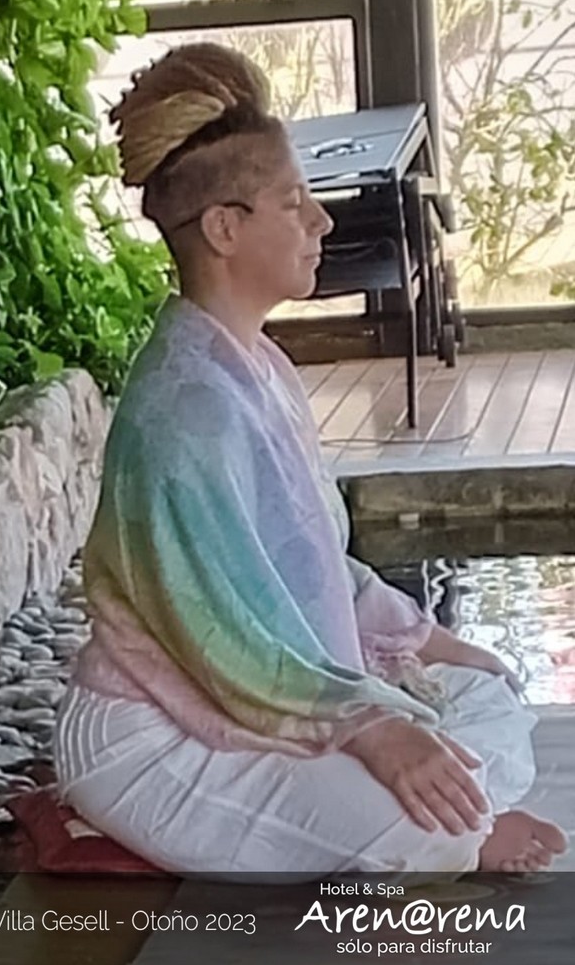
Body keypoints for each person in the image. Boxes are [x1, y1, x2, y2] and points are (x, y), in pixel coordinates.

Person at [54, 43, 568, 878]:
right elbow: (223, 640)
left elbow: (317, 567)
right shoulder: (184, 412)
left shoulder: (256, 364)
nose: (321, 223)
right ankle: (463, 836)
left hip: (261, 699)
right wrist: (372, 726)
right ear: (224, 228)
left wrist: (428, 640)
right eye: (294, 203)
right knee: (439, 822)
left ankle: (456, 816)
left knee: (487, 693)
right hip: (158, 737)